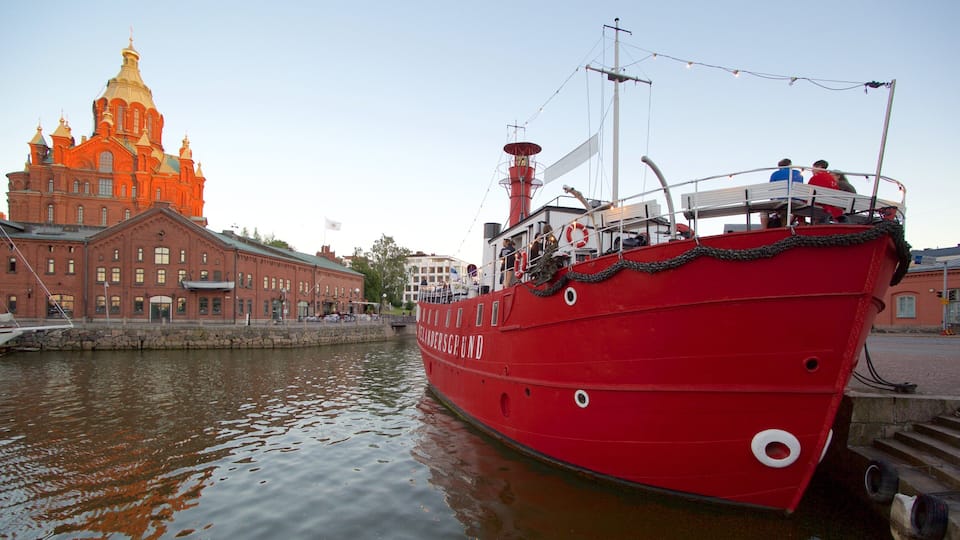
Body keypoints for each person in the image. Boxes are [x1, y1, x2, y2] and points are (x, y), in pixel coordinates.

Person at [763, 158, 803, 228]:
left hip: (780, 200)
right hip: (795, 200)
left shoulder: (775, 174)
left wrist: (772, 200)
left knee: (763, 212)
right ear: (790, 165)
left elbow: (772, 189)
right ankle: (785, 227)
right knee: (792, 210)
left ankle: (764, 229)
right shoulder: (797, 173)